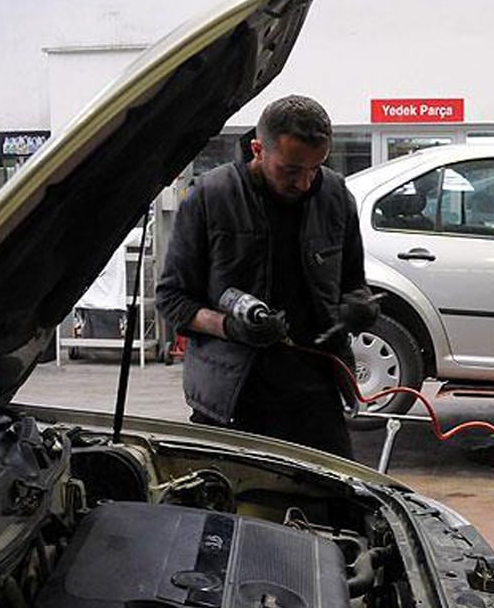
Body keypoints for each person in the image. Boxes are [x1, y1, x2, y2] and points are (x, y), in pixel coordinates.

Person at [156, 95, 378, 459]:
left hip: (317, 398)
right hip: (232, 401)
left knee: (336, 494)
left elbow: (354, 283)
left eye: (315, 168)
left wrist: (359, 306)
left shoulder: (336, 195)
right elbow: (172, 299)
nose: (304, 183)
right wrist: (230, 327)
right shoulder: (211, 196)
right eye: (291, 170)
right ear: (258, 149)